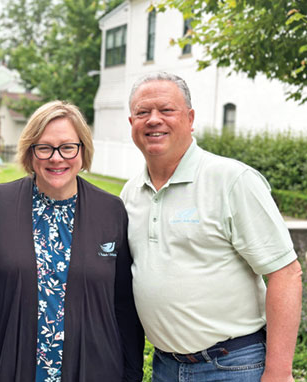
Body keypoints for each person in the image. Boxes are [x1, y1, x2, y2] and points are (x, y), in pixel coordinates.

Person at [120, 71, 303, 382]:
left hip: (234, 366)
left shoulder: (231, 181)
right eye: (143, 112)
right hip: (166, 367)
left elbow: (285, 273)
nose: (153, 120)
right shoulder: (130, 193)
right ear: (132, 124)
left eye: (166, 110)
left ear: (190, 119)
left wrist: (278, 373)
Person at [0, 100, 144, 381]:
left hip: (95, 369)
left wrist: (132, 372)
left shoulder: (110, 211)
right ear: (30, 152)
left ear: (82, 149)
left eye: (67, 147)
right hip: (10, 367)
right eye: (44, 147)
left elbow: (123, 303)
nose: (56, 157)